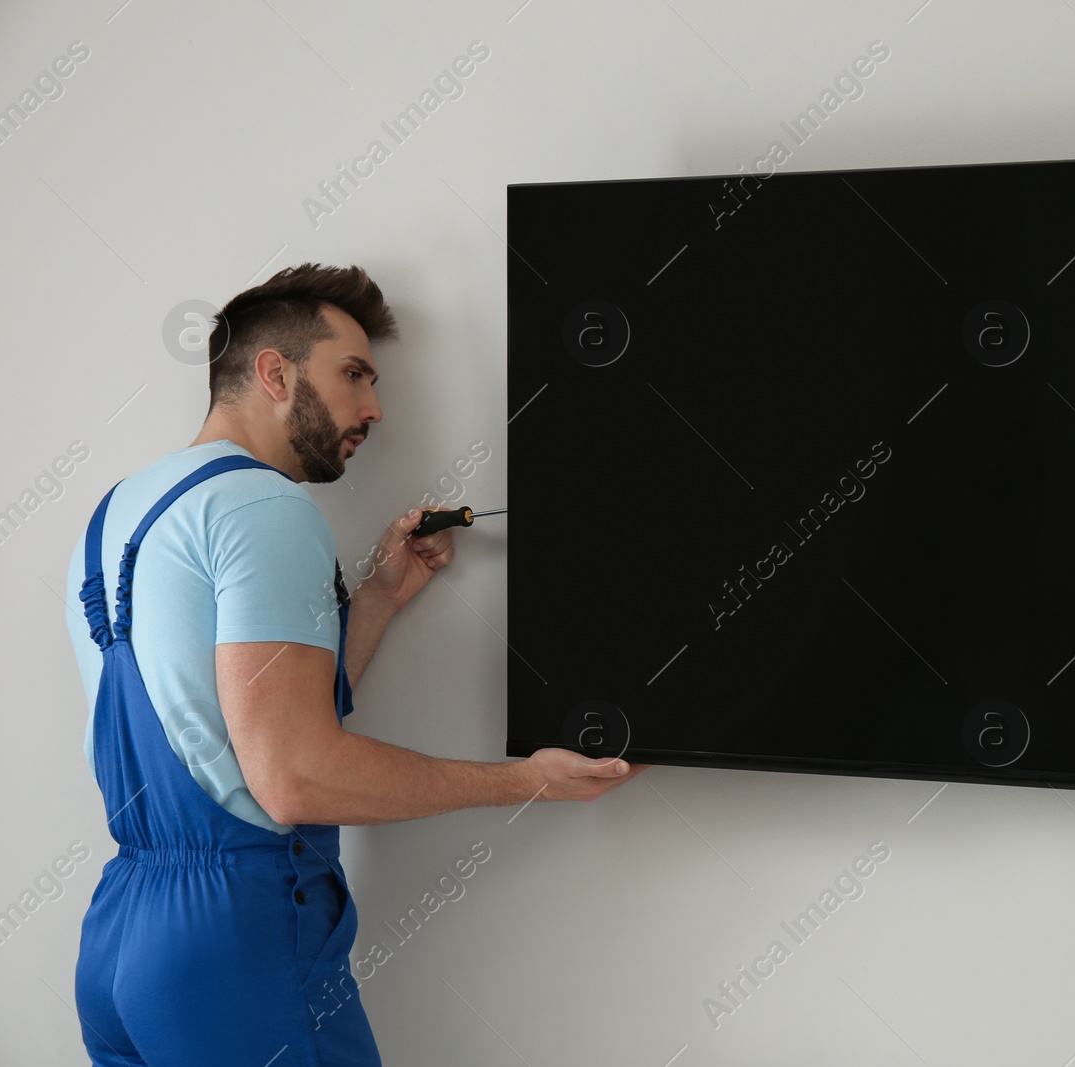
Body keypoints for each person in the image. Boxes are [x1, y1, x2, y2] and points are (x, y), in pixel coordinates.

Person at [62, 262, 646, 1066]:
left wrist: (374, 599)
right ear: (274, 371)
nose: (374, 407)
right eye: (354, 374)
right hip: (237, 939)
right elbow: (295, 776)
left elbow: (237, 725)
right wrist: (528, 780)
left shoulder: (118, 510)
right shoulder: (265, 506)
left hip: (122, 940)